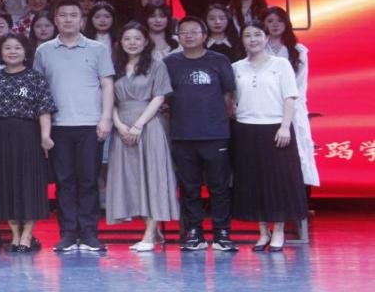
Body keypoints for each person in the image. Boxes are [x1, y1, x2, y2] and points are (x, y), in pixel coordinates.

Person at [33, 0, 114, 253]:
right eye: (63, 15)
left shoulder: (98, 49)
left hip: (91, 124)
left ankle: (89, 233)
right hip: (59, 125)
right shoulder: (44, 51)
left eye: (73, 15)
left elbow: (107, 84)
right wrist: (43, 129)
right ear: (55, 20)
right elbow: (38, 89)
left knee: (89, 180)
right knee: (64, 182)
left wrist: (106, 118)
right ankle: (68, 233)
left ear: (82, 20)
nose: (68, 19)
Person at [161, 16, 238, 251]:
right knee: (189, 187)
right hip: (182, 134)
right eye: (183, 32)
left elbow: (229, 93)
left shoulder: (219, 60)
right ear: (177, 36)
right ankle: (194, 232)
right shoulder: (169, 62)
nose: (188, 36)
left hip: (215, 133)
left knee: (219, 187)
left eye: (194, 31)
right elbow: (163, 95)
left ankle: (222, 232)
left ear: (204, 36)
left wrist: (216, 116)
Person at [231, 20, 307, 251]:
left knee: (278, 182)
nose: (252, 39)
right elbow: (232, 100)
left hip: (275, 129)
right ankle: (263, 232)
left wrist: (285, 126)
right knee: (253, 182)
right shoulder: (236, 67)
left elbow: (290, 97)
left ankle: (279, 231)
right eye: (247, 35)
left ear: (265, 38)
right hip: (245, 129)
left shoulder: (280, 64)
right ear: (242, 40)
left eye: (257, 34)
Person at [105, 23, 179, 251]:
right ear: (120, 42)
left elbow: (159, 97)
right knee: (133, 180)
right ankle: (153, 231)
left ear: (146, 41)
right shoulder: (113, 66)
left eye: (137, 38)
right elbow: (108, 100)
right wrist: (119, 125)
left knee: (152, 177)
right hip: (122, 128)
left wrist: (138, 125)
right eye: (127, 38)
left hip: (149, 125)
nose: (132, 43)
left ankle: (148, 235)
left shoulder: (156, 65)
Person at [0, 33, 55, 253]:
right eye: (7, 48)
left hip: (29, 135)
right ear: (0, 52)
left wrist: (45, 136)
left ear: (26, 52)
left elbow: (44, 109)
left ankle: (27, 235)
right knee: (6, 185)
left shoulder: (35, 78)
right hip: (0, 135)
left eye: (17, 48)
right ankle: (15, 234)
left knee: (29, 185)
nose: (12, 52)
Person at [262, 6, 319, 187]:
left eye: (279, 21)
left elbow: (300, 85)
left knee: (298, 149)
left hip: (293, 107)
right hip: (264, 108)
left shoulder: (298, 50)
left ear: (286, 23)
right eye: (270, 21)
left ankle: (298, 194)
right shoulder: (258, 48)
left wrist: (292, 107)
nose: (275, 25)